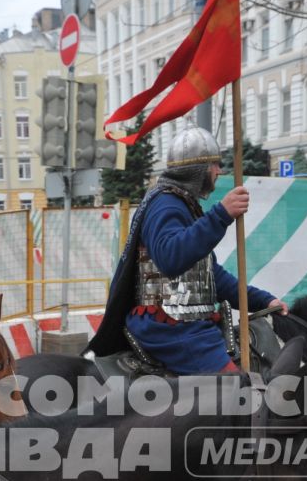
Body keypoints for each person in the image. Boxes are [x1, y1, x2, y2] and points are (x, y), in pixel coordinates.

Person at [89, 126, 285, 374]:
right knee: (234, 387)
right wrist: (221, 215)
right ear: (200, 169)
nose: (219, 171)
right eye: (215, 165)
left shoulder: (183, 204)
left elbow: (212, 277)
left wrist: (264, 300)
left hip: (188, 324)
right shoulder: (165, 204)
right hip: (169, 325)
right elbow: (169, 257)